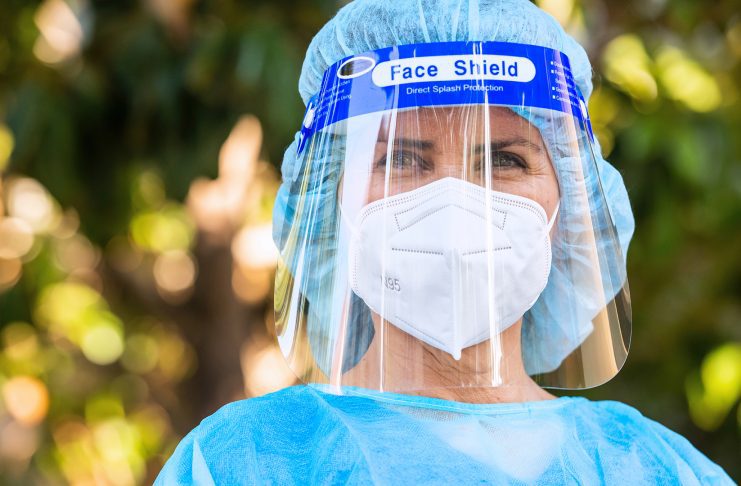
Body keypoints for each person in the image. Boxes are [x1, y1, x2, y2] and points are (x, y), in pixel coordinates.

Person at [155, 0, 734, 484]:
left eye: (504, 159)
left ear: (571, 205)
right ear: (333, 201)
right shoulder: (246, 463)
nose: (455, 202)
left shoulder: (654, 470)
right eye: (401, 159)